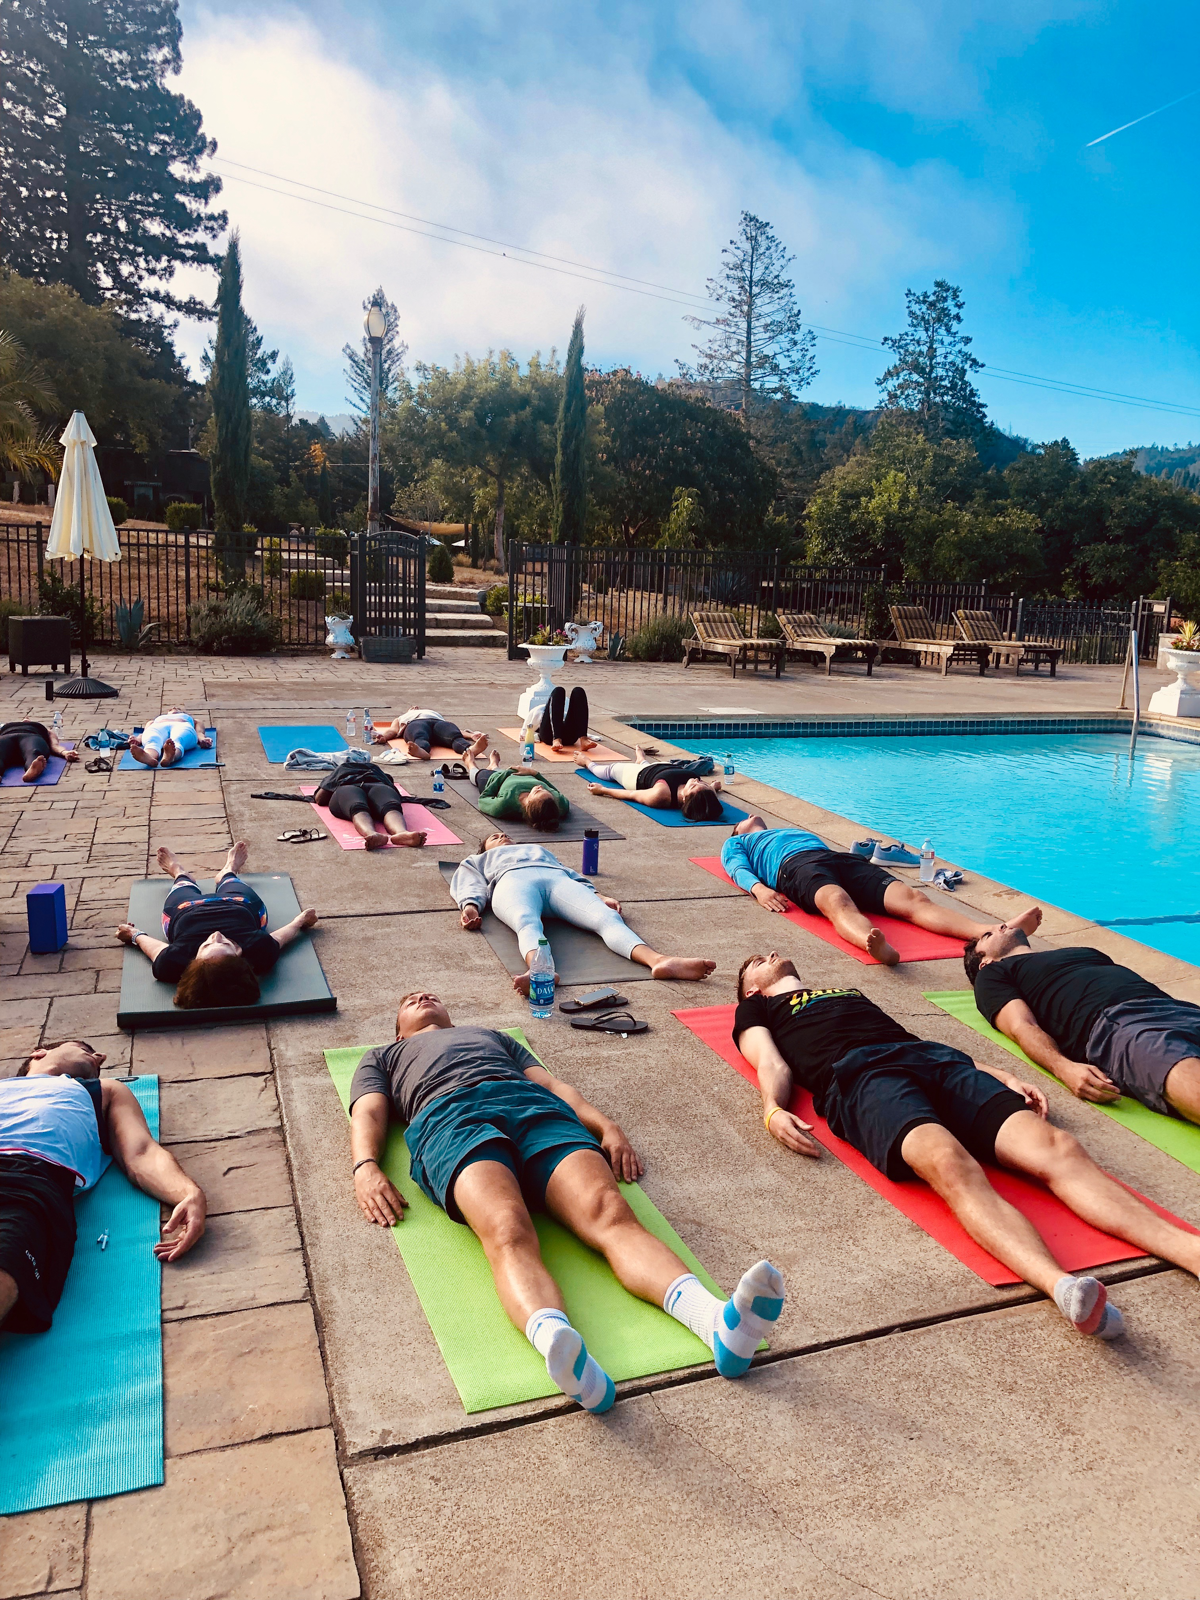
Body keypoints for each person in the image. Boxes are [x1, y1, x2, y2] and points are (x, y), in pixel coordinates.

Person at [348, 992, 785, 1411]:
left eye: (429, 996)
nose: (421, 997)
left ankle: (716, 1323)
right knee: (507, 1228)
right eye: (409, 1001)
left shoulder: (491, 1036)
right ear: (399, 1033)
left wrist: (606, 1126)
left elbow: (552, 1084)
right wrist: (365, 1166)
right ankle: (560, 1348)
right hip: (451, 1116)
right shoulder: (383, 1056)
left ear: (451, 1016)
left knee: (610, 1212)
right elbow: (368, 1112)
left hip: (533, 1107)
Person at [733, 950, 1200, 1340]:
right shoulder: (757, 1010)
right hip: (861, 1077)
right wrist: (772, 1109)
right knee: (948, 1162)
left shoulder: (847, 991)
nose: (768, 955)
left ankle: (1188, 1251)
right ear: (751, 990)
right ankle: (1062, 1288)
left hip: (934, 1060)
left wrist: (996, 1072)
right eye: (755, 962)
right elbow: (770, 1062)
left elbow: (911, 1038)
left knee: (1057, 1147)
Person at [1, 1039, 206, 1333]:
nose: (101, 1056)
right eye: (86, 1049)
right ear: (39, 1052)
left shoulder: (102, 1091)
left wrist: (188, 1193)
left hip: (28, 1182)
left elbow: (141, 1153)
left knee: (8, 1259)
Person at [965, 923, 1200, 1124]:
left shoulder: (1083, 952)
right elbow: (1022, 1026)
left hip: (1177, 1008)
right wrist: (1064, 1067)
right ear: (984, 961)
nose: (1002, 925)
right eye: (988, 935)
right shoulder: (992, 974)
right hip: (1119, 1026)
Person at [721, 816, 1035, 966]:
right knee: (837, 900)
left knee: (914, 898)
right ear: (737, 830)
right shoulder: (737, 841)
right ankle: (872, 944)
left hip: (837, 858)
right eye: (744, 820)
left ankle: (990, 930)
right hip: (794, 866)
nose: (749, 817)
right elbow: (736, 868)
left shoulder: (785, 828)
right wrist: (759, 889)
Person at [451, 833, 716, 992]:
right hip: (511, 880)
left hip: (555, 879)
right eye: (494, 837)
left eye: (504, 834)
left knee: (606, 917)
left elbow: (570, 873)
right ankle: (540, 971)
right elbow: (469, 880)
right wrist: (471, 905)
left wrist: (598, 895)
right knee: (526, 922)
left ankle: (659, 960)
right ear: (485, 848)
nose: (502, 837)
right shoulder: (479, 860)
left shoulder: (538, 850)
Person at [116, 840, 318, 1010]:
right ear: (239, 952)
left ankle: (178, 872)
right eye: (226, 943)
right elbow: (280, 937)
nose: (216, 934)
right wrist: (300, 921)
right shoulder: (260, 950)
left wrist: (134, 934)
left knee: (183, 882)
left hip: (186, 908)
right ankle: (229, 870)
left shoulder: (173, 961)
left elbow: (155, 948)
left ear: (194, 958)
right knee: (229, 879)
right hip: (239, 903)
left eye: (206, 945)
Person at [585, 745, 724, 822]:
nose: (696, 780)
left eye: (693, 786)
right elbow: (708, 794)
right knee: (646, 764)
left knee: (605, 771)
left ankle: (586, 762)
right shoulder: (704, 792)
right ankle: (641, 759)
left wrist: (602, 790)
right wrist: (713, 787)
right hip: (659, 767)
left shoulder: (660, 795)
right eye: (702, 782)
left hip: (636, 775)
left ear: (685, 799)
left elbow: (631, 794)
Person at [313, 760, 428, 851]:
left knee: (357, 807)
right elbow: (394, 791)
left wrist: (331, 781)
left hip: (349, 787)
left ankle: (371, 834)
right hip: (377, 785)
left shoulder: (342, 769)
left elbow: (320, 799)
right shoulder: (375, 770)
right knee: (390, 807)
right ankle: (401, 832)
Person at [464, 747, 569, 833]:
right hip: (520, 773)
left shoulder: (504, 804)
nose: (540, 787)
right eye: (546, 790)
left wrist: (506, 773)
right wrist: (534, 773)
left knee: (480, 775)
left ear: (529, 804)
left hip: (495, 779)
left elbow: (483, 799)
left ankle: (470, 763)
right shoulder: (558, 804)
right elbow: (556, 791)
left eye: (537, 791)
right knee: (499, 770)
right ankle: (494, 765)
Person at [370, 707, 487, 762]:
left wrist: (471, 735)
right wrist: (384, 737)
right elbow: (393, 730)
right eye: (412, 708)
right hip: (416, 723)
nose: (415, 707)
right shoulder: (402, 718)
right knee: (420, 735)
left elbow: (457, 731)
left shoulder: (431, 712)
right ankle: (422, 751)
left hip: (438, 722)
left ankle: (469, 750)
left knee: (453, 735)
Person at [0, 718, 80, 782]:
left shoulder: (42, 728)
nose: (26, 718)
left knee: (34, 751)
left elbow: (54, 744)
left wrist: (64, 753)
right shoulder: (6, 727)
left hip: (30, 736)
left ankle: (31, 770)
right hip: (6, 737)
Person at [127, 708, 212, 768]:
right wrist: (138, 739)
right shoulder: (155, 720)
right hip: (158, 726)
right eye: (170, 709)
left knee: (178, 739)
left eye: (178, 709)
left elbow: (199, 731)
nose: (174, 708)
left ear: (182, 712)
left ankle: (171, 756)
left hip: (182, 725)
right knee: (153, 739)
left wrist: (202, 739)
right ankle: (148, 757)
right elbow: (145, 732)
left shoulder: (192, 719)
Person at [536, 686, 597, 753]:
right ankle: (556, 739)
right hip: (549, 736)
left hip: (569, 737)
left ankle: (584, 739)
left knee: (578, 691)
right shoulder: (540, 710)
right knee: (558, 690)